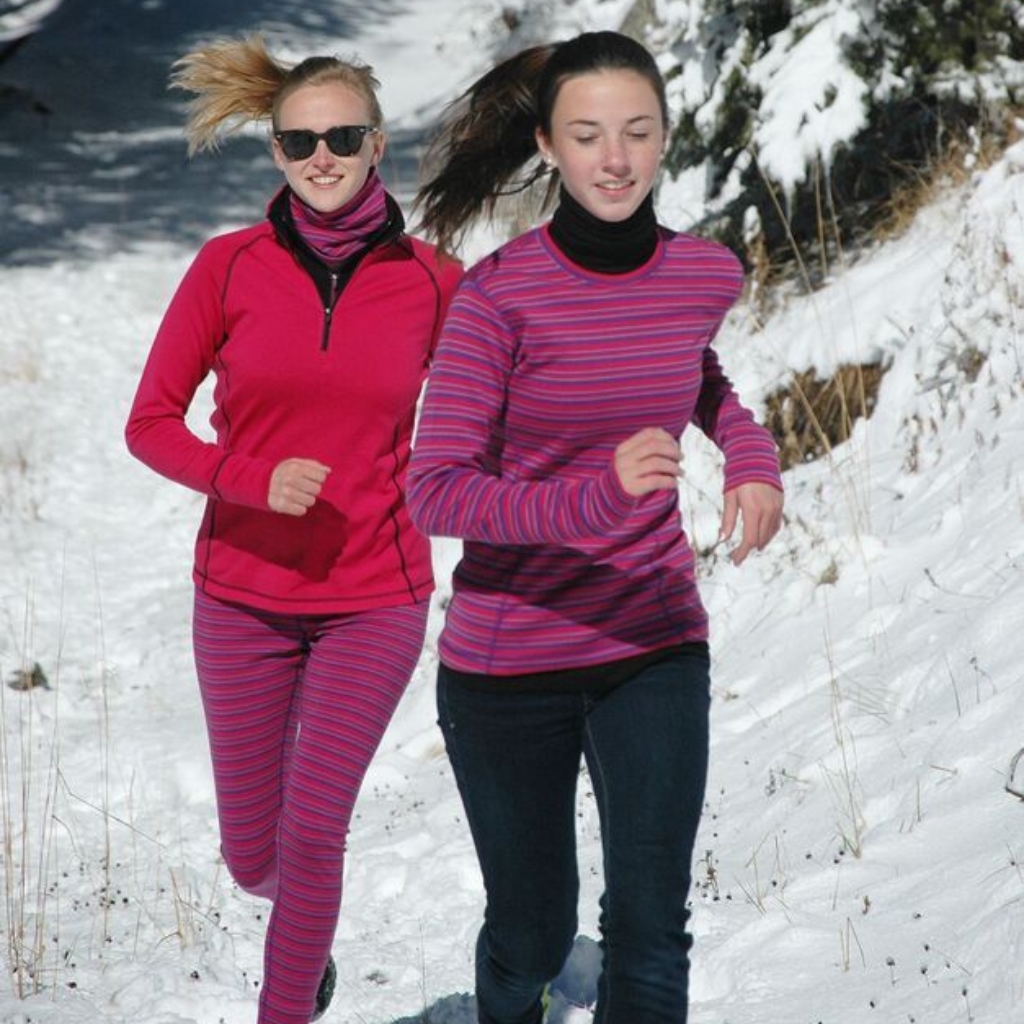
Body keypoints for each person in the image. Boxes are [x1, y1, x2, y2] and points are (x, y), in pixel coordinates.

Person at [407, 30, 784, 1024]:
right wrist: (591, 497)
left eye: (636, 132)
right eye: (586, 135)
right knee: (533, 926)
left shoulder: (703, 274)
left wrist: (747, 452)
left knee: (651, 924)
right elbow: (435, 488)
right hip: (506, 660)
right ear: (549, 146)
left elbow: (689, 372)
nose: (613, 159)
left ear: (664, 139)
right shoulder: (497, 299)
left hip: (651, 641)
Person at [124, 35, 461, 1024]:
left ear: (377, 143)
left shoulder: (434, 281)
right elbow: (148, 423)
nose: (320, 156)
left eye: (341, 135)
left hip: (376, 595)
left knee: (314, 833)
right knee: (253, 854)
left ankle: (283, 1005)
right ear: (274, 151)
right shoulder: (226, 269)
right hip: (240, 594)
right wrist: (246, 479)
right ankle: (304, 940)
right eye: (297, 140)